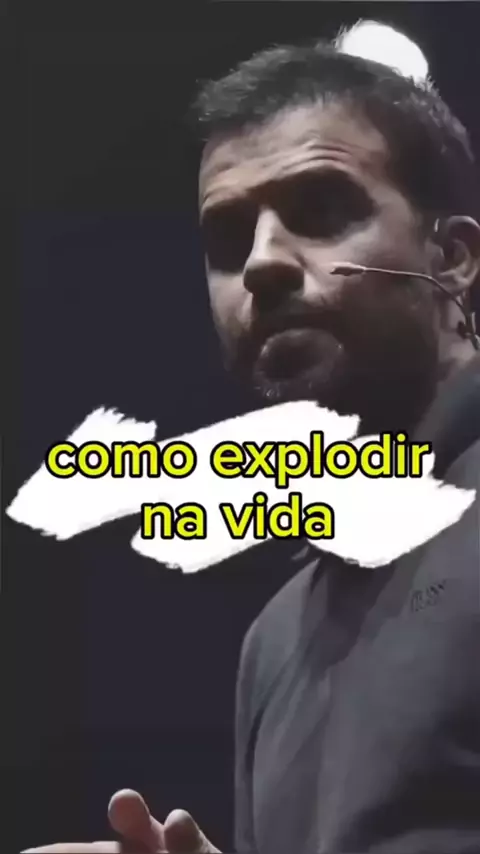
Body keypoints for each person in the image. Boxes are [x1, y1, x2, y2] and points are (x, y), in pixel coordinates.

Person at [25, 28, 480, 854]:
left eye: (322, 211)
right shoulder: (275, 638)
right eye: (229, 240)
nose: (262, 263)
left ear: (452, 258)